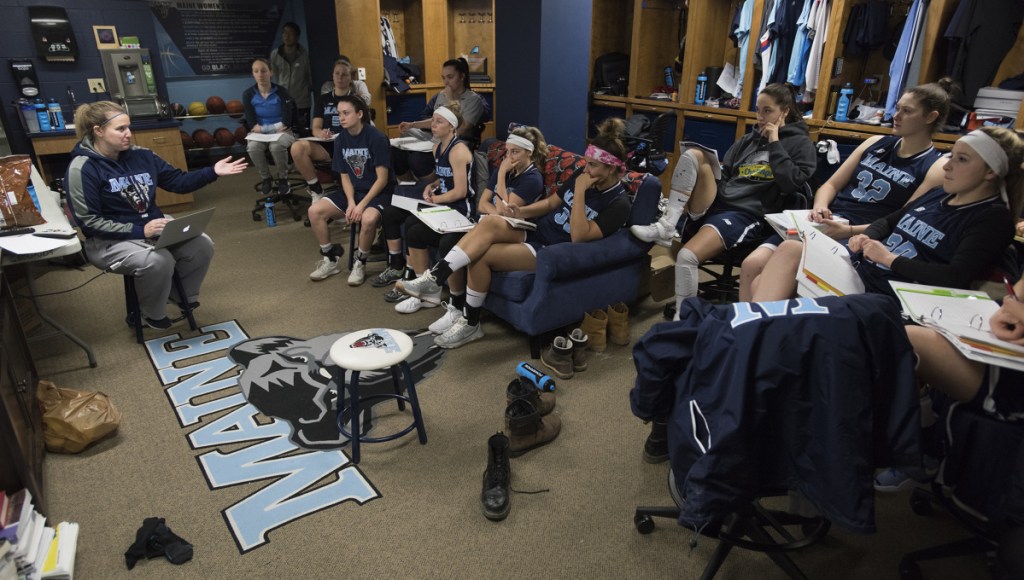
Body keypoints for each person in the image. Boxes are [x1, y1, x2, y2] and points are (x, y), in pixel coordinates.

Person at [397, 118, 633, 349]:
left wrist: (580, 192)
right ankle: (435, 278)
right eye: (586, 162)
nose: (586, 168)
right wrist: (521, 211)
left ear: (611, 168)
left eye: (593, 165)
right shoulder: (583, 175)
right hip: (539, 229)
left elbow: (579, 237)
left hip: (554, 248)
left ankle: (470, 322)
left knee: (480, 256)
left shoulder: (618, 203)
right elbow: (551, 204)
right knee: (490, 222)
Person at [750, 126, 1024, 303]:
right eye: (952, 155)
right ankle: (750, 346)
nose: (948, 165)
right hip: (864, 270)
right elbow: (888, 221)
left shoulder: (992, 218)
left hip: (892, 294)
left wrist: (889, 258)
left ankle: (748, 348)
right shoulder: (940, 193)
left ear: (991, 172)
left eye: (961, 160)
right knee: (787, 251)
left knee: (771, 286)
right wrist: (866, 237)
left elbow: (954, 276)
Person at [739, 81, 953, 301]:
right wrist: (820, 207)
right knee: (752, 265)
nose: (896, 115)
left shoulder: (935, 166)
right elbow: (830, 185)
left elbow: (901, 224)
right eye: (897, 108)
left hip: (861, 235)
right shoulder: (875, 142)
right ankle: (742, 328)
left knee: (774, 281)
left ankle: (757, 329)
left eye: (907, 111)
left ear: (930, 117)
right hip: (826, 222)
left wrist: (848, 231)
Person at [634, 83, 817, 318]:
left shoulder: (800, 144)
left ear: (785, 112)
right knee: (694, 154)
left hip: (747, 213)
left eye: (767, 111)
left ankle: (685, 317)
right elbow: (728, 173)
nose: (760, 117)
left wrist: (774, 142)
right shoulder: (748, 140)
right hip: (720, 202)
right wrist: (712, 174)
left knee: (686, 256)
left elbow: (791, 183)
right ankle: (667, 225)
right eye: (758, 110)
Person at [64, 101, 247, 329]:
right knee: (158, 261)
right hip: (108, 241)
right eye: (120, 129)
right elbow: (89, 222)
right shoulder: (82, 168)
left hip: (152, 229)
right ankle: (148, 311)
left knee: (202, 244)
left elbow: (178, 182)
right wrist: (141, 230)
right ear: (98, 131)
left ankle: (178, 296)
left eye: (129, 127)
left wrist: (212, 172)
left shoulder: (142, 156)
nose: (129, 134)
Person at [428, 126, 549, 335]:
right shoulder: (507, 168)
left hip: (518, 233)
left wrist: (501, 174)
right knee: (450, 241)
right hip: (492, 225)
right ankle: (456, 306)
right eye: (507, 151)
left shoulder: (532, 178)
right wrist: (496, 213)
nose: (509, 157)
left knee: (474, 248)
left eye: (515, 152)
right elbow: (482, 204)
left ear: (529, 152)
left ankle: (436, 280)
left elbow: (506, 211)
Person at [378, 103, 475, 313]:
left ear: (452, 126)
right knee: (413, 228)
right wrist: (432, 186)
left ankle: (436, 293)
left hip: (461, 211)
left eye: (439, 122)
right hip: (445, 207)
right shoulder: (436, 147)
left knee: (426, 231)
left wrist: (436, 199)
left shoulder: (458, 150)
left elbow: (460, 191)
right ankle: (424, 292)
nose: (433, 125)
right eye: (433, 120)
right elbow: (443, 179)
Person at [307, 95, 394, 284]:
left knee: (368, 219)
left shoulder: (376, 137)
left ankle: (360, 263)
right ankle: (330, 259)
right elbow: (344, 175)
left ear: (360, 114)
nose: (341, 118)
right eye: (339, 113)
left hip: (379, 192)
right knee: (314, 211)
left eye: (346, 113)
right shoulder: (340, 140)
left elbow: (382, 179)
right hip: (355, 193)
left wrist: (361, 206)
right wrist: (351, 202)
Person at [392, 57, 489, 181]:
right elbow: (436, 120)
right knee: (396, 153)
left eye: (450, 77)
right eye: (443, 78)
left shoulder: (473, 99)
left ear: (462, 76)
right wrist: (412, 125)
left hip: (457, 141)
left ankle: (435, 186)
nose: (446, 82)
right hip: (436, 138)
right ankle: (410, 187)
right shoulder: (442, 95)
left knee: (417, 159)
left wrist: (449, 99)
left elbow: (461, 129)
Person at [291, 58, 374, 199]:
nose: (340, 77)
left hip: (350, 145)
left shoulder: (357, 101)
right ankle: (316, 190)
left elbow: (366, 127)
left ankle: (350, 195)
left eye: (344, 74)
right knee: (297, 148)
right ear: (332, 76)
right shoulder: (323, 99)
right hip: (327, 145)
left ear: (351, 78)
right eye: (337, 74)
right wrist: (321, 133)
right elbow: (315, 127)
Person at [243, 57, 297, 197]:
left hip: (284, 133)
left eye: (264, 71)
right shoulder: (248, 94)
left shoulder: (281, 91)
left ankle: (283, 178)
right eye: (256, 71)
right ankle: (266, 178)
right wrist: (272, 127)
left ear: (270, 72)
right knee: (253, 147)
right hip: (261, 135)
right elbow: (251, 124)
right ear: (253, 74)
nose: (260, 74)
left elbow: (286, 122)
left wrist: (264, 128)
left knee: (276, 146)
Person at [270, 21, 312, 133]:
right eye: (284, 33)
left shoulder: (304, 54)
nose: (287, 36)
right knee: (284, 131)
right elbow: (276, 77)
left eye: (291, 33)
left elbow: (310, 76)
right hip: (282, 101)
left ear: (297, 37)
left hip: (301, 101)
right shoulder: (275, 54)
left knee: (302, 131)